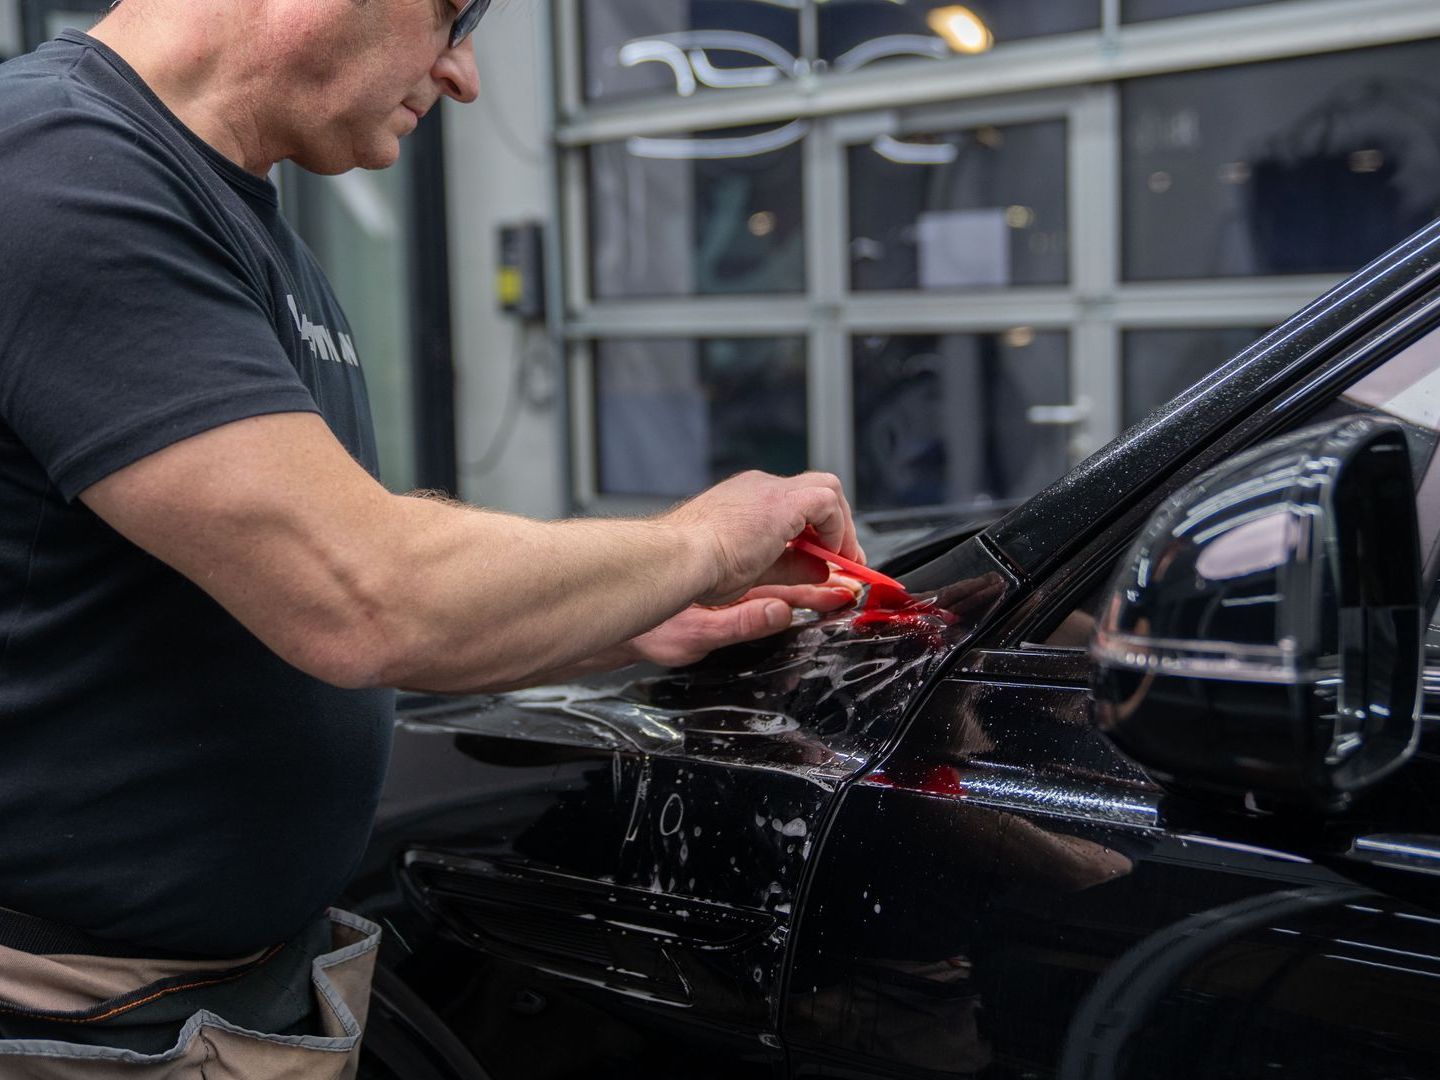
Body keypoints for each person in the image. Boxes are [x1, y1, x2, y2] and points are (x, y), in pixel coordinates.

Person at [0, 0, 865, 1074]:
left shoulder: (238, 219)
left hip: (213, 997)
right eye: (454, 19)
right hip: (71, 1020)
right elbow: (369, 595)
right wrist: (702, 542)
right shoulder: (57, 171)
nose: (463, 77)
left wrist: (635, 614)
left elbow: (269, 590)